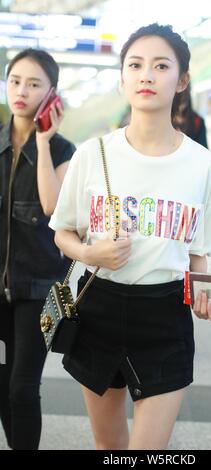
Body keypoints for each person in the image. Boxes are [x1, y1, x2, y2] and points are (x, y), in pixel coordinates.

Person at [50, 23, 211, 450]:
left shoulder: (201, 164)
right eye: (135, 65)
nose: (146, 75)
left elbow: (206, 250)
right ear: (123, 78)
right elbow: (62, 234)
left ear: (181, 80)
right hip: (99, 308)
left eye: (161, 66)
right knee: (109, 448)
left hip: (166, 314)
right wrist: (94, 252)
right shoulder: (93, 154)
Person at [0, 48, 75, 450]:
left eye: (34, 84)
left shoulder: (63, 151)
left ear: (51, 94)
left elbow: (52, 207)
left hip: (41, 288)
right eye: (15, 81)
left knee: (23, 388)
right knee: (3, 384)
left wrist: (42, 143)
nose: (21, 91)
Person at [172, 83, 208, 148]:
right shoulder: (165, 120)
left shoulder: (198, 121)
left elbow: (203, 148)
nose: (180, 106)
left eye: (183, 100)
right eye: (178, 99)